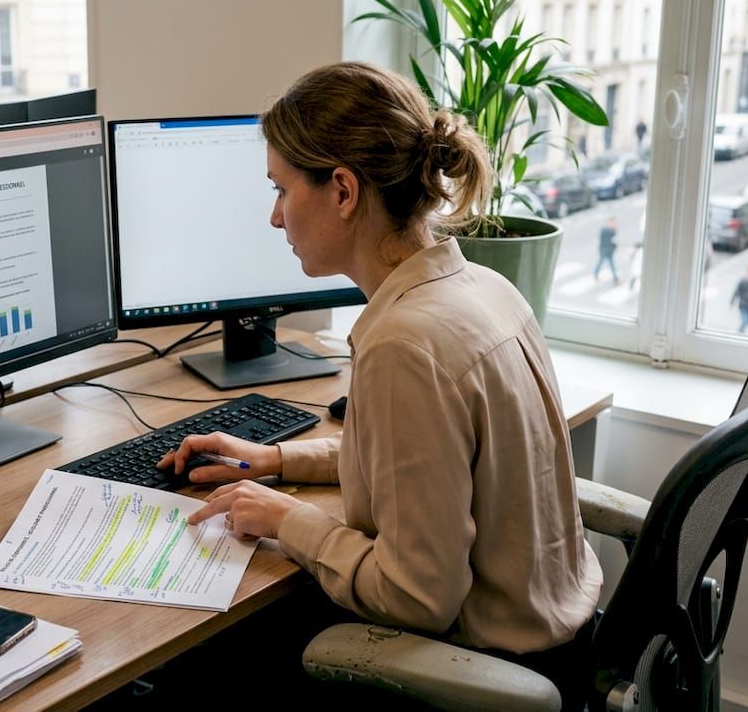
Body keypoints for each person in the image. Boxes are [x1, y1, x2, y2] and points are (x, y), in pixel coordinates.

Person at [159, 62, 601, 705]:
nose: (275, 218)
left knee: (191, 668)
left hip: (476, 671)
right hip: (560, 645)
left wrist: (292, 520)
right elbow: (428, 469)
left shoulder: (405, 345)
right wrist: (280, 460)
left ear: (343, 191)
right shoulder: (481, 287)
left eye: (282, 190)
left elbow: (416, 597)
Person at [595, 216, 620, 284]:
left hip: (608, 251)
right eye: (613, 223)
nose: (614, 224)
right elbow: (607, 241)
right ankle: (596, 274)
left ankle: (615, 277)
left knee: (610, 264)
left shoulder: (611, 230)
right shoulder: (606, 231)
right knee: (602, 262)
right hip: (605, 250)